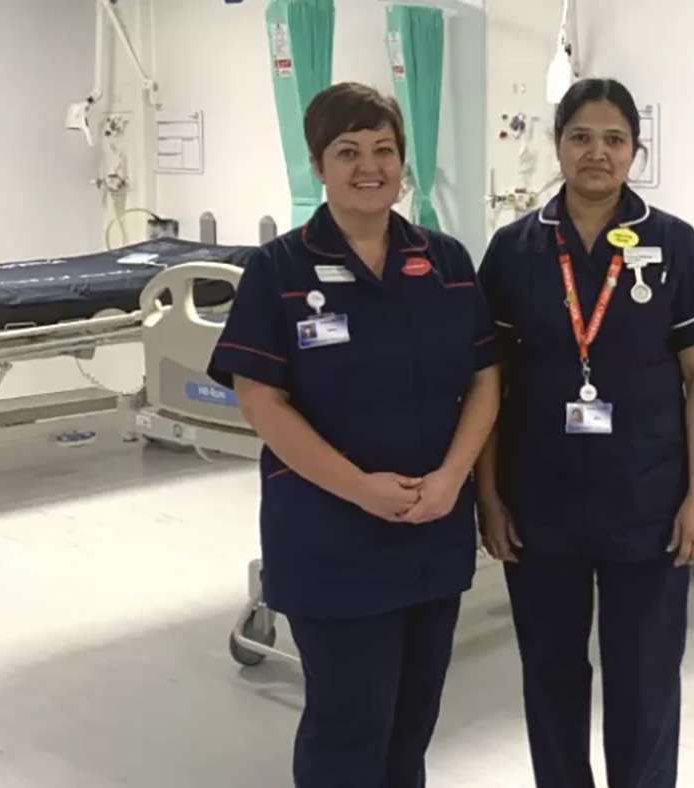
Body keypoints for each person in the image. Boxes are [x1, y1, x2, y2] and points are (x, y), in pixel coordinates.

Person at [205, 82, 499, 788]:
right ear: (319, 166)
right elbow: (261, 400)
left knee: (413, 722)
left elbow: (487, 379)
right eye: (348, 151)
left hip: (431, 528)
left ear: (403, 162)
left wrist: (455, 477)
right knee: (348, 724)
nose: (369, 167)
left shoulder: (448, 263)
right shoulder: (278, 269)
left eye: (384, 150)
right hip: (329, 536)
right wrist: (358, 489)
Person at [475, 77, 694, 788]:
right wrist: (490, 495)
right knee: (552, 677)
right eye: (581, 137)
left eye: (614, 139)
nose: (598, 152)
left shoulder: (672, 243)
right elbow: (488, 385)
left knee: (646, 682)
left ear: (635, 151)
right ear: (557, 145)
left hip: (647, 501)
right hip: (540, 504)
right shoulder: (516, 249)